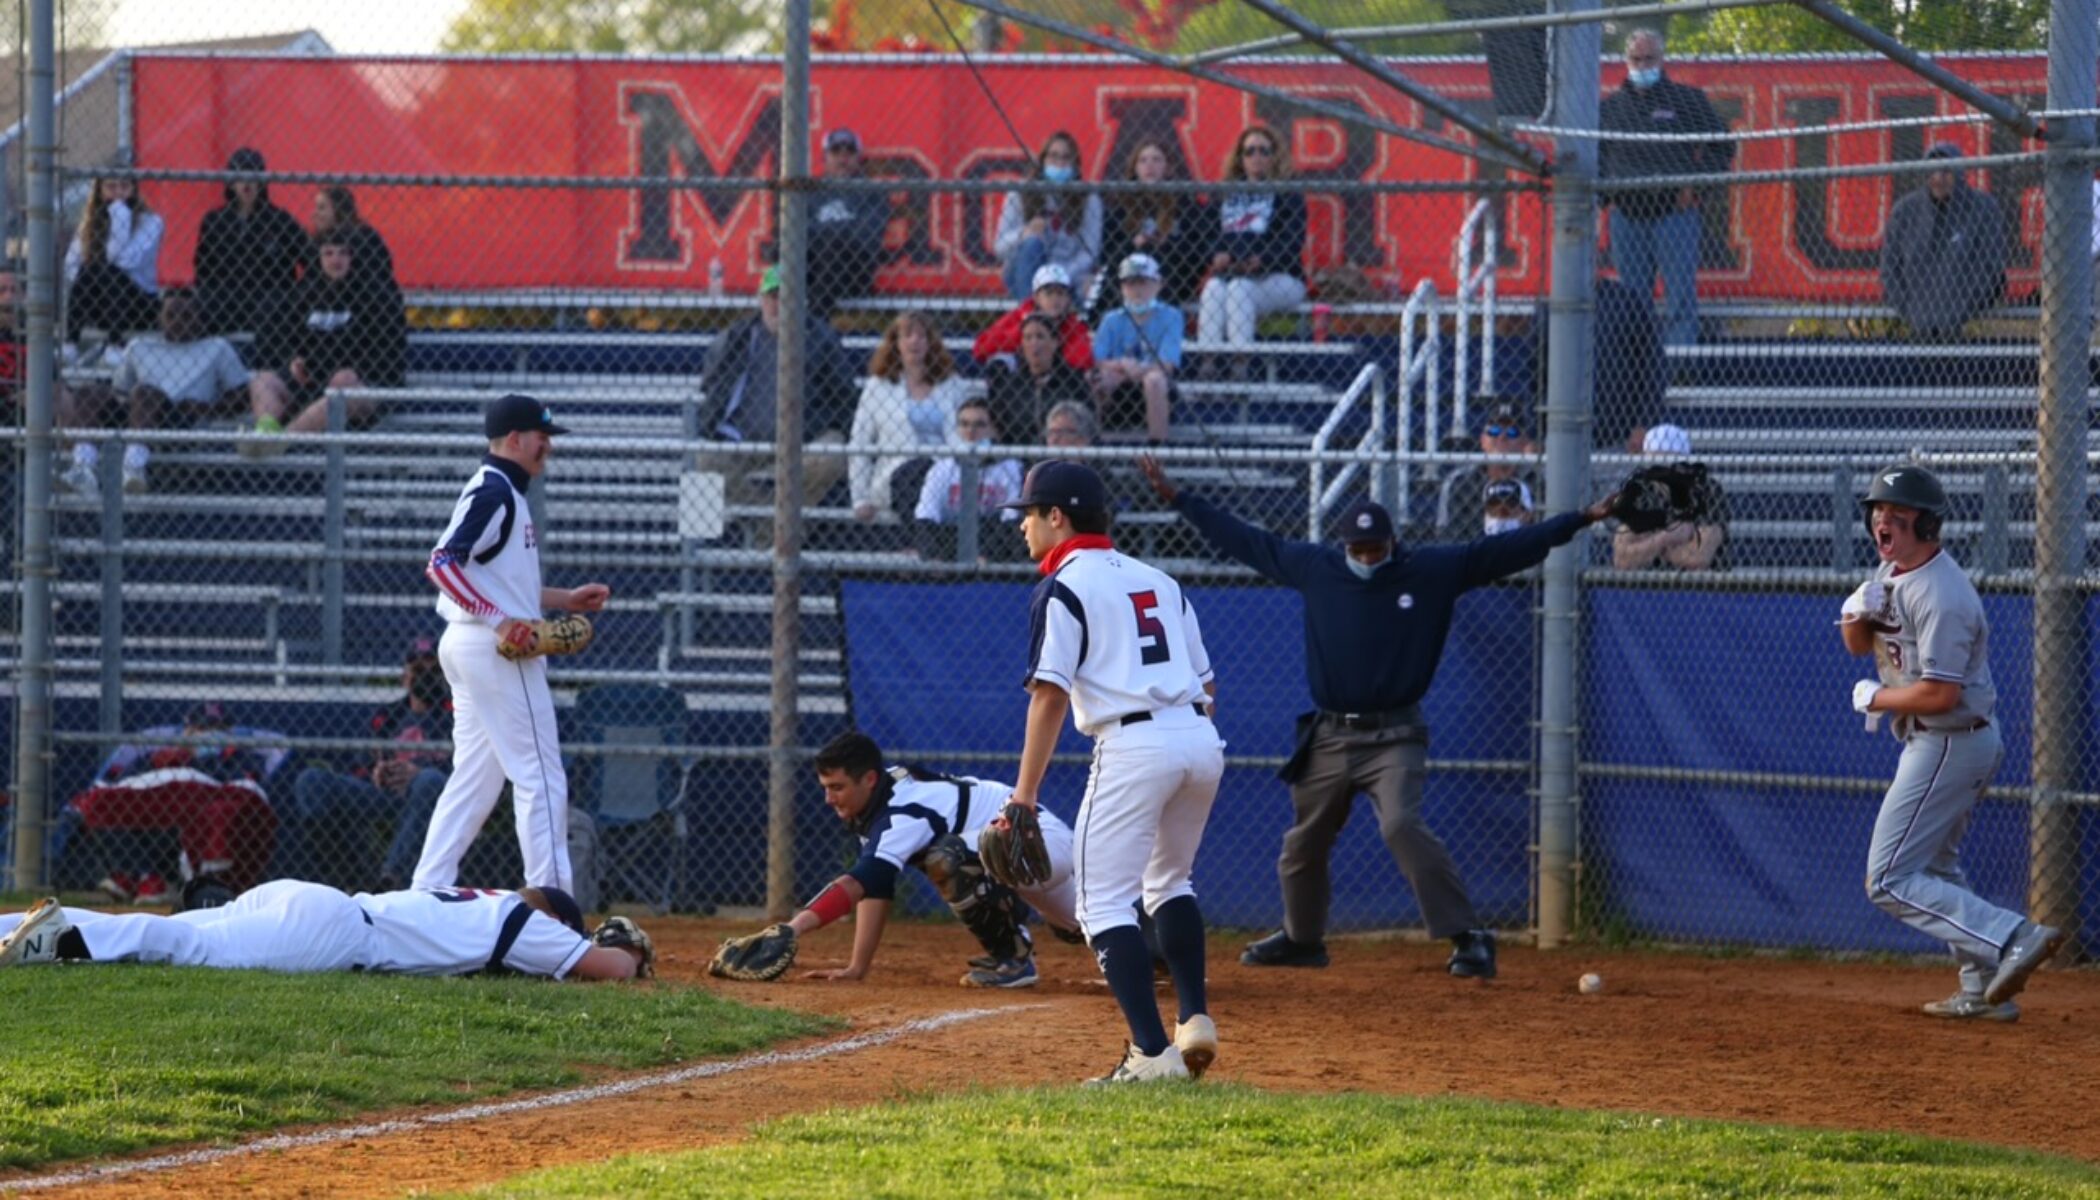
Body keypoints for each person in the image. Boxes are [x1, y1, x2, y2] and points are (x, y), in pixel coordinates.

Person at [1137, 455, 1619, 981]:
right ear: (1344, 546)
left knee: (1399, 823)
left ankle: (1468, 935)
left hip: (1394, 732)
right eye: (1357, 549)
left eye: (1375, 548)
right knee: (1303, 842)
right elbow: (1248, 541)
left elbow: (1504, 551)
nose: (1366, 557)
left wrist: (1582, 518)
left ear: (1393, 544)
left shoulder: (1430, 572)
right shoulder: (1317, 567)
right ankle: (1302, 939)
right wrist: (1180, 500)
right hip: (1330, 733)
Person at [998, 459, 1224, 1083]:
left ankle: (1152, 1056)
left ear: (1057, 517)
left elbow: (1048, 694)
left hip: (1133, 744)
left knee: (1099, 905)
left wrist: (1024, 796)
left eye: (1029, 516)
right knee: (1171, 882)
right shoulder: (1160, 578)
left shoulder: (1064, 585)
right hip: (1199, 736)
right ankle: (1194, 1019)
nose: (1023, 528)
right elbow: (1208, 684)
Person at [1841, 465, 2063, 1020]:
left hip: (1949, 738)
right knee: (1934, 867)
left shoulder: (1943, 593)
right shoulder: (1892, 570)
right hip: (1940, 741)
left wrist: (1876, 698)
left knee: (1888, 879)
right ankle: (1980, 987)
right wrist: (1854, 613)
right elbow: (1857, 645)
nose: (1882, 521)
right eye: (1877, 511)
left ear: (1927, 523)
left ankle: (2012, 936)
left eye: (1896, 513)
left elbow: (1940, 694)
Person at [415, 394, 612, 894]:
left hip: (470, 645)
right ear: (514, 440)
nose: (548, 445)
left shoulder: (502, 491)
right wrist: (501, 622)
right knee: (541, 777)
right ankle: (552, 904)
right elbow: (442, 564)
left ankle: (427, 891)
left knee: (475, 781)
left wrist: (563, 598)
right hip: (494, 650)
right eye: (541, 436)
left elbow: (489, 576)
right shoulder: (496, 491)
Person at [730, 730, 1080, 987]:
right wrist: (857, 967)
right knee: (1083, 925)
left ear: (868, 779)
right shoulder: (878, 804)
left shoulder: (902, 812)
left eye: (836, 787)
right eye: (825, 787)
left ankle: (1013, 959)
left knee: (948, 857)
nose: (828, 798)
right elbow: (876, 886)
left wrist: (794, 928)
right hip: (1021, 854)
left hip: (1040, 845)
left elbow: (858, 882)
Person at [0, 883, 647, 980]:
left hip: (313, 901)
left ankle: (15, 928)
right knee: (186, 945)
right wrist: (626, 947)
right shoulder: (528, 922)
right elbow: (609, 969)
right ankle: (52, 944)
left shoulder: (487, 900)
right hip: (335, 934)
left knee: (179, 929)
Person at [59, 701, 283, 905]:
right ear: (187, 731)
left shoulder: (242, 758)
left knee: (215, 814)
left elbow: (242, 791)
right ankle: (139, 875)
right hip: (157, 819)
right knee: (104, 803)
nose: (209, 735)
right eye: (201, 729)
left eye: (218, 729)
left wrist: (205, 766)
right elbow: (124, 783)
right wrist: (161, 763)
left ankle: (187, 885)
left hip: (200, 820)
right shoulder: (160, 755)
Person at [1599, 29, 1733, 347]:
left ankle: (1679, 368)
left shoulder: (1687, 100)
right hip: (1627, 215)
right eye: (1636, 59)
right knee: (1632, 299)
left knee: (1680, 296)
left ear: (1662, 59)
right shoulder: (1610, 108)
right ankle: (1635, 367)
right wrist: (1606, 197)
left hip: (1675, 213)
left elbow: (1723, 147)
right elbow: (1597, 155)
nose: (1643, 65)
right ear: (1626, 61)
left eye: (1649, 58)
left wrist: (1695, 185)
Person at [284, 638, 452, 891]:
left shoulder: (457, 713)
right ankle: (346, 880)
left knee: (429, 780)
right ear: (405, 677)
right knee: (312, 781)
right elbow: (359, 765)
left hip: (431, 797)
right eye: (418, 670)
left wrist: (419, 773)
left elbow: (469, 770)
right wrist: (375, 772)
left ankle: (390, 880)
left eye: (434, 669)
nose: (427, 676)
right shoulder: (388, 716)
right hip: (383, 794)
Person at [58, 289, 249, 497]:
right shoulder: (140, 346)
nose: (178, 322)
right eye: (171, 315)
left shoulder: (216, 347)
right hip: (137, 413)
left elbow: (241, 396)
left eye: (186, 316)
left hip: (182, 418)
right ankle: (83, 468)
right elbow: (118, 391)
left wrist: (207, 409)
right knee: (90, 392)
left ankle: (133, 466)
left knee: (144, 392)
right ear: (160, 318)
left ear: (201, 320)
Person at [693, 266, 855, 510]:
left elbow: (844, 398)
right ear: (761, 300)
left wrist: (819, 425)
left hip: (803, 446)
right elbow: (711, 387)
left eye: (787, 297)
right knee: (703, 460)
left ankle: (767, 528)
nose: (779, 305)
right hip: (742, 444)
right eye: (773, 297)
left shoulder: (822, 339)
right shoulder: (737, 338)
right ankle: (771, 526)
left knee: (831, 453)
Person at [245, 232, 407, 455]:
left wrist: (349, 369)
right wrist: (294, 361)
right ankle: (266, 431)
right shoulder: (305, 295)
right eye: (328, 253)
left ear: (353, 257)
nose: (336, 260)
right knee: (263, 380)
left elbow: (385, 352)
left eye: (342, 253)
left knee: (343, 381)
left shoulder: (374, 295)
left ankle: (281, 442)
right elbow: (287, 339)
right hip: (313, 381)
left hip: (363, 385)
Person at [1197, 126, 1308, 365]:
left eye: (1263, 151)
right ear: (1241, 157)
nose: (1256, 157)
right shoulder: (1223, 194)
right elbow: (1206, 237)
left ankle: (1240, 365)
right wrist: (1216, 256)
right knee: (1213, 289)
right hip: (1232, 274)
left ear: (1274, 156)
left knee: (1239, 289)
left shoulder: (1288, 194)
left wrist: (1262, 260)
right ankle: (1208, 363)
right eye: (1249, 151)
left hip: (1281, 278)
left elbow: (1292, 243)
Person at [1879, 142, 2010, 340]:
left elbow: (1991, 266)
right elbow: (1890, 268)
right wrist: (1911, 310)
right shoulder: (1905, 211)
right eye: (1932, 171)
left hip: (1970, 320)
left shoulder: (1983, 208)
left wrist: (1962, 308)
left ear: (1958, 174)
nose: (1938, 179)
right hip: (1916, 318)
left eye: (1946, 172)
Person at [849, 311, 967, 523]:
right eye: (907, 335)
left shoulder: (952, 384)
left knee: (931, 478)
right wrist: (860, 498)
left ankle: (921, 546)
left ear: (931, 343)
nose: (915, 341)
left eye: (922, 336)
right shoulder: (878, 386)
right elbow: (860, 441)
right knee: (914, 477)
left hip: (943, 471)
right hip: (896, 474)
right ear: (896, 343)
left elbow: (965, 434)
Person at [192, 147, 308, 336]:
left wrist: (293, 294)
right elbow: (203, 267)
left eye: (253, 176)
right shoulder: (215, 221)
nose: (247, 184)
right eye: (240, 176)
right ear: (230, 182)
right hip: (227, 296)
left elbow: (308, 258)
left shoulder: (279, 220)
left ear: (262, 182)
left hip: (268, 297)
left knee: (271, 308)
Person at [1089, 139, 1204, 319]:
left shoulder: (1184, 204)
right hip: (1127, 275)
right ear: (1135, 168)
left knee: (1155, 255)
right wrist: (1134, 243)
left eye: (1157, 160)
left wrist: (1168, 243)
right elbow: (1108, 254)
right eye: (1143, 160)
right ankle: (1096, 323)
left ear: (1168, 168)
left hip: (1170, 275)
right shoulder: (1120, 206)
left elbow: (1196, 252)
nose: (1149, 165)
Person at [993, 131, 1103, 302]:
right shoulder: (1019, 193)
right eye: (1053, 156)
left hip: (1069, 274)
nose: (1059, 163)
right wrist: (1024, 233)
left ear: (1075, 165)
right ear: (1042, 161)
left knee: (1090, 286)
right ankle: (1031, 314)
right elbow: (1000, 247)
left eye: (1066, 158)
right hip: (1028, 272)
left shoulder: (1088, 198)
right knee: (1032, 244)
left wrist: (1061, 275)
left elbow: (1090, 252)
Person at [912, 398, 1024, 561]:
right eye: (964, 424)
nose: (970, 431)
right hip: (950, 536)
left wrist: (989, 554)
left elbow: (1011, 520)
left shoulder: (1010, 468)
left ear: (994, 430)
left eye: (979, 425)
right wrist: (932, 557)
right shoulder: (942, 469)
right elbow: (926, 516)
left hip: (994, 538)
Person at [1093, 253, 1183, 443]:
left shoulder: (1171, 316)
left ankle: (1157, 447)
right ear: (1122, 288)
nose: (1137, 290)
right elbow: (1097, 359)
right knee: (1101, 377)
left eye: (1143, 283)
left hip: (1156, 388)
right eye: (1130, 284)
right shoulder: (1111, 319)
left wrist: (1138, 369)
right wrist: (1122, 365)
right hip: (1119, 386)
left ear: (1158, 284)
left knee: (1154, 380)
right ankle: (1096, 439)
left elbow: (1167, 364)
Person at [1612, 424, 1727, 571]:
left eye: (1669, 461)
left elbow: (1698, 558)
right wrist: (1666, 537)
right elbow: (1622, 560)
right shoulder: (1640, 491)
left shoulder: (1707, 490)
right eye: (1655, 461)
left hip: (1702, 587)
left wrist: (1647, 547)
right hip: (1647, 585)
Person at [65, 175, 164, 345]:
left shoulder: (151, 222)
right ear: (100, 192)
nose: (118, 193)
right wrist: (92, 279)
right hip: (100, 304)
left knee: (107, 271)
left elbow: (125, 262)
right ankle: (70, 343)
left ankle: (115, 344)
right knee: (92, 270)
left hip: (138, 303)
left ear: (134, 190)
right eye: (111, 187)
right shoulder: (88, 226)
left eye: (124, 186)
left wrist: (119, 215)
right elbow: (71, 265)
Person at [807, 128, 890, 317]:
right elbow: (795, 234)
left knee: (831, 243)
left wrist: (825, 234)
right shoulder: (810, 192)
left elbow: (866, 239)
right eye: (836, 152)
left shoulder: (872, 193)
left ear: (858, 158)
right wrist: (835, 232)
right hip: (813, 267)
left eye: (849, 152)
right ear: (825, 157)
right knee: (787, 249)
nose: (842, 158)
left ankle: (815, 321)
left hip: (854, 272)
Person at [985, 313, 1092, 448]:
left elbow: (1087, 426)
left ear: (1055, 342)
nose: (1034, 343)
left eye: (1040, 336)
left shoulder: (1074, 383)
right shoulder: (1008, 386)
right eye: (1028, 338)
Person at [1438, 402, 1541, 541]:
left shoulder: (1537, 483)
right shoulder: (1460, 482)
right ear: (1483, 441)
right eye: (1494, 431)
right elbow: (1449, 538)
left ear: (1524, 443)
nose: (1502, 437)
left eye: (1512, 432)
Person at [971, 263, 1094, 374]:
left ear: (1068, 299)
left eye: (1060, 293)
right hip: (1021, 376)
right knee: (1000, 363)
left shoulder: (1072, 323)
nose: (1055, 299)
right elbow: (981, 347)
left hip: (1057, 379)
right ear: (1036, 297)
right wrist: (1026, 331)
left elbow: (1084, 359)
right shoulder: (1020, 315)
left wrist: (1053, 338)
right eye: (1049, 293)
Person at [306, 185, 399, 296]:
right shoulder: (319, 240)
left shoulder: (365, 238)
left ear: (338, 208)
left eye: (321, 208)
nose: (314, 214)